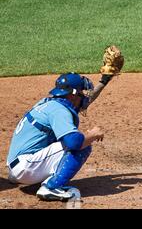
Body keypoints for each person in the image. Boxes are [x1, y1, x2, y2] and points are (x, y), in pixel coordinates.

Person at [6, 72, 115, 201]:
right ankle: (51, 187)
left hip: (16, 169)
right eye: (82, 93)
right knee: (81, 144)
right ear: (72, 95)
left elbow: (85, 101)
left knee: (73, 140)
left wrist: (104, 81)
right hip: (26, 169)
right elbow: (74, 143)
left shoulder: (49, 103)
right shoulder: (59, 111)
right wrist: (92, 135)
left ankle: (25, 176)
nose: (85, 96)